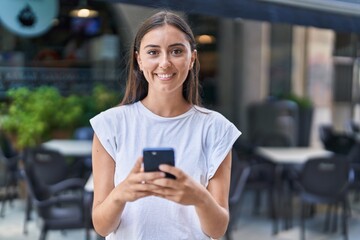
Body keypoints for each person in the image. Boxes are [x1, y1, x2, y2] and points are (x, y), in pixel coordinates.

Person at [90, 10, 241, 240]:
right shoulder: (110, 126)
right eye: (153, 52)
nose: (164, 63)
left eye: (176, 51)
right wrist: (121, 194)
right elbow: (102, 227)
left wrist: (198, 197)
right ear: (139, 60)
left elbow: (217, 230)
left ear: (192, 58)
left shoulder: (216, 129)